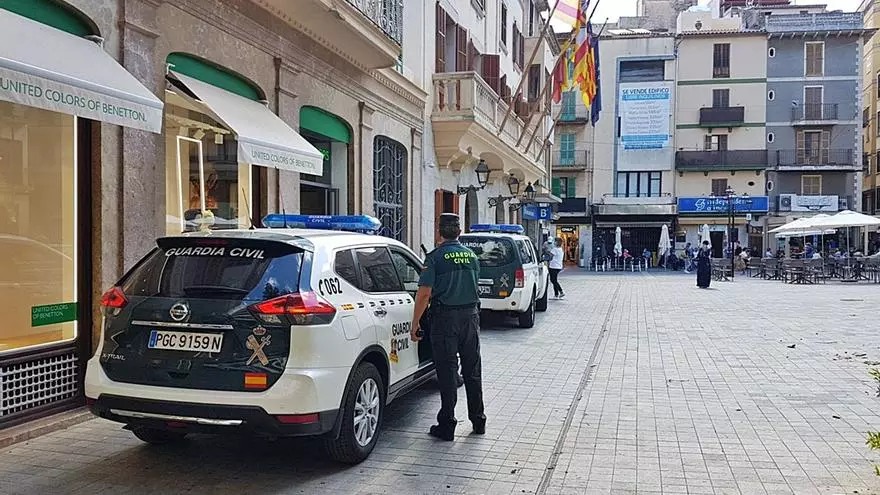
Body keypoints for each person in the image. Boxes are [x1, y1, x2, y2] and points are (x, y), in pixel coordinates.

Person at [410, 213, 485, 441]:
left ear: (439, 232)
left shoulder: (435, 258)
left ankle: (447, 424)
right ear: (459, 232)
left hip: (445, 320)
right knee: (472, 370)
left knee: (447, 371)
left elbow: (424, 294)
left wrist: (415, 323)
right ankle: (478, 420)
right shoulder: (471, 256)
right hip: (470, 318)